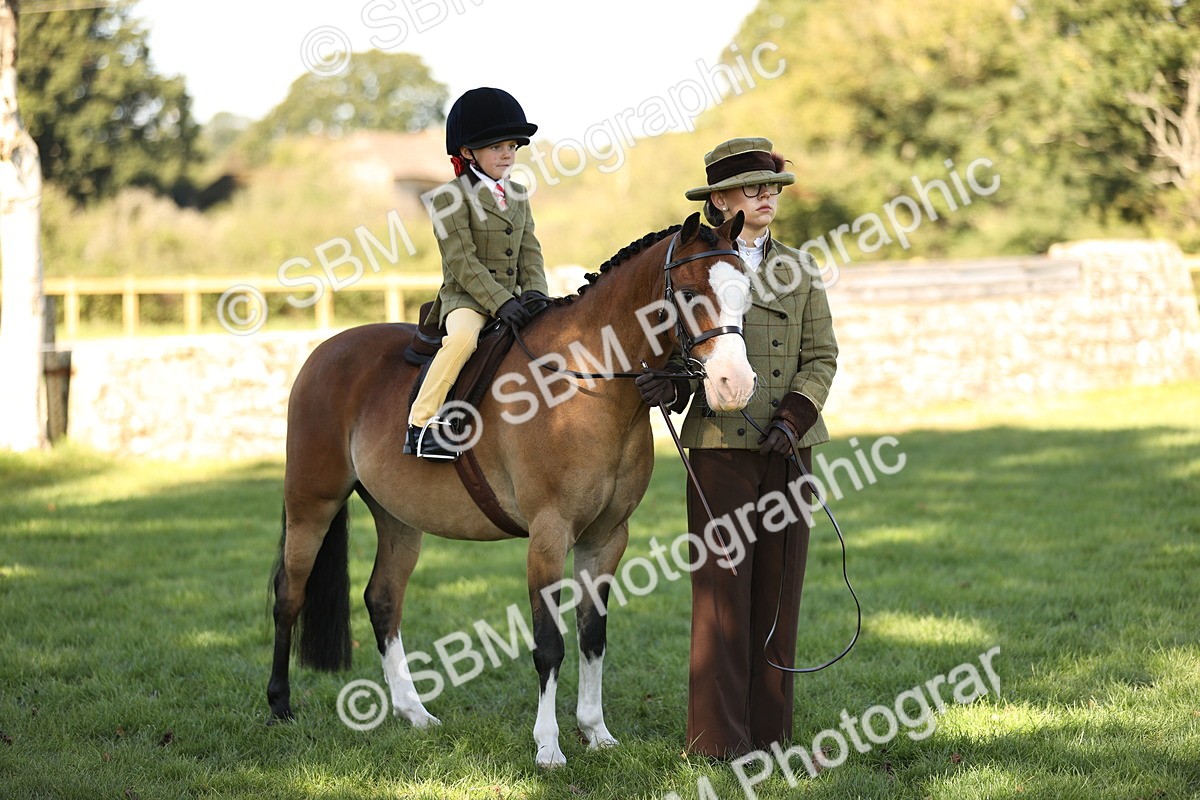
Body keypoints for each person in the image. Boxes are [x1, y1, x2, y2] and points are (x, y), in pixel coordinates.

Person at [637, 137, 839, 758]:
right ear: (720, 200)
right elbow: (676, 352)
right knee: (723, 596)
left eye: (772, 188)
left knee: (780, 591)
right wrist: (665, 384)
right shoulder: (692, 267)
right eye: (752, 189)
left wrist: (794, 420)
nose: (765, 198)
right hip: (719, 448)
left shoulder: (801, 269)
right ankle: (719, 740)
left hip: (788, 451)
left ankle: (771, 735)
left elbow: (822, 357)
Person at [406, 87, 550, 460]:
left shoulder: (518, 194)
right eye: (496, 147)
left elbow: (529, 249)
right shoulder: (447, 198)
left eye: (512, 148)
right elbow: (462, 262)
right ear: (468, 152)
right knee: (463, 341)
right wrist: (501, 302)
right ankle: (421, 424)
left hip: (513, 300)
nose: (507, 155)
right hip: (467, 299)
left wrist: (535, 292)